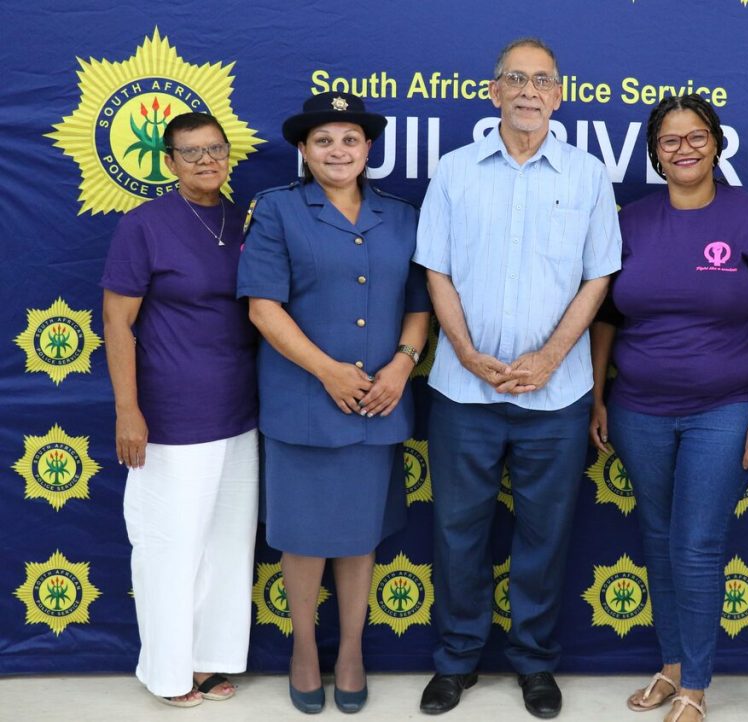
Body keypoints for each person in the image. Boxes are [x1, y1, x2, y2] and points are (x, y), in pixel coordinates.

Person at [414, 38, 621, 719]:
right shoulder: (454, 172)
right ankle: (457, 660)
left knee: (545, 535)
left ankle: (534, 662)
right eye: (516, 79)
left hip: (556, 396)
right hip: (463, 391)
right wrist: (466, 352)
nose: (529, 91)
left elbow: (598, 277)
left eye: (542, 81)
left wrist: (552, 357)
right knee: (457, 533)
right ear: (493, 91)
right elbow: (436, 270)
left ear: (559, 95)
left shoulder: (588, 176)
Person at [589, 95, 748, 722]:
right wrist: (597, 396)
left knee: (696, 543)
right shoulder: (630, 221)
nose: (685, 149)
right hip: (638, 409)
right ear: (655, 152)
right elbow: (606, 317)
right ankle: (672, 665)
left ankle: (696, 686)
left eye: (697, 136)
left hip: (724, 408)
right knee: (658, 538)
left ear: (716, 143)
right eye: (670, 140)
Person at [236, 92, 430, 715]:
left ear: (368, 148)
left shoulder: (402, 215)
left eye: (350, 139)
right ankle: (302, 651)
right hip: (304, 403)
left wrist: (402, 365)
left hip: (378, 402)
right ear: (303, 149)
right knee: (302, 536)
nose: (338, 151)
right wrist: (327, 372)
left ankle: (349, 651)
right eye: (323, 140)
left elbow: (420, 305)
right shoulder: (277, 210)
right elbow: (263, 308)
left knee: (359, 534)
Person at [101, 112, 258, 707]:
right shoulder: (143, 225)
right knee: (170, 548)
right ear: (169, 162)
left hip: (240, 411)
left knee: (227, 545)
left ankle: (210, 661)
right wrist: (127, 409)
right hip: (170, 415)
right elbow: (117, 321)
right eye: (190, 152)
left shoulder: (244, 220)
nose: (205, 160)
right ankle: (168, 672)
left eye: (215, 149)